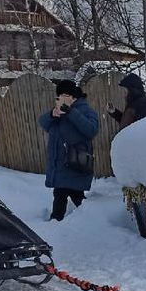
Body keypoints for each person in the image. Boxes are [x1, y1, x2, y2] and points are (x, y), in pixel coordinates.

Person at [39, 79, 99, 221]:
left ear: (74, 96)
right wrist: (52, 114)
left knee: (77, 196)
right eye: (59, 96)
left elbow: (91, 130)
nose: (62, 98)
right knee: (60, 195)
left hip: (75, 162)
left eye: (65, 95)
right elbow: (43, 123)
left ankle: (93, 222)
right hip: (60, 165)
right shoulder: (59, 110)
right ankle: (57, 222)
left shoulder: (85, 110)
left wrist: (71, 112)